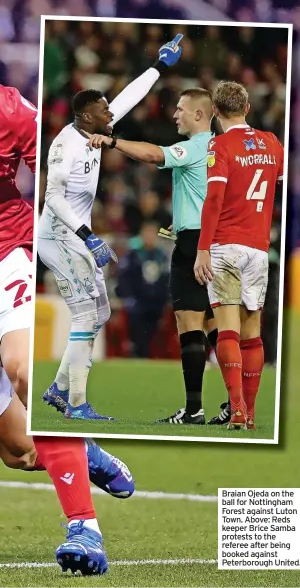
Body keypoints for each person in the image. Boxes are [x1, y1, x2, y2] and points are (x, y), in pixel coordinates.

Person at [0, 84, 134, 576]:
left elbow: (58, 177)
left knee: (20, 370)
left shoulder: (12, 109)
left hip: (5, 249)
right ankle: (86, 453)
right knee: (18, 452)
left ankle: (85, 529)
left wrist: (76, 238)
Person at [39, 34, 183, 421]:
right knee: (87, 314)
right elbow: (52, 198)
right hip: (58, 236)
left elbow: (128, 97)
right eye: (104, 112)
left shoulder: (96, 130)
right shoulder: (63, 147)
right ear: (87, 117)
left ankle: (59, 387)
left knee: (100, 313)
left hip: (79, 236)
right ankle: (76, 406)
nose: (111, 115)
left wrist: (159, 65)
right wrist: (90, 237)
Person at [84, 87, 219, 425]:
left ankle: (194, 410)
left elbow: (153, 155)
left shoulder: (193, 147)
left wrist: (112, 141)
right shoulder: (220, 148)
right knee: (217, 325)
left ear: (199, 115)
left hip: (194, 246)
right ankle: (238, 402)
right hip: (215, 239)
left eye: (181, 109)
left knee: (190, 323)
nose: (174, 115)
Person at [194, 81, 284, 430]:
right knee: (253, 333)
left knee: (227, 331)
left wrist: (203, 248)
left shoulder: (220, 145)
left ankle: (235, 409)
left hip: (226, 247)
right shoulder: (272, 144)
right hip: (259, 249)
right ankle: (251, 414)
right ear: (247, 108)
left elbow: (214, 199)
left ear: (215, 112)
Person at [116, 220, 169, 358]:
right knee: (138, 333)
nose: (150, 236)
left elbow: (166, 280)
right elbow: (124, 278)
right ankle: (138, 353)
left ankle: (150, 357)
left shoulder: (161, 256)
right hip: (137, 302)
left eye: (153, 233)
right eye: (147, 233)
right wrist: (128, 297)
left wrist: (166, 300)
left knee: (154, 334)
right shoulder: (133, 255)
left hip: (156, 303)